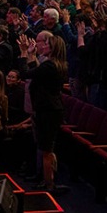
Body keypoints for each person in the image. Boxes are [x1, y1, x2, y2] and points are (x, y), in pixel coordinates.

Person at [19, 31, 67, 192]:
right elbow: (37, 73)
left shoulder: (50, 66)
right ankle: (48, 179)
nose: (44, 46)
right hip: (51, 109)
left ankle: (49, 184)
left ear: (53, 48)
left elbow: (26, 73)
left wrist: (24, 53)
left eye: (47, 44)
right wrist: (32, 56)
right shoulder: (56, 65)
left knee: (46, 149)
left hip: (48, 111)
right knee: (47, 148)